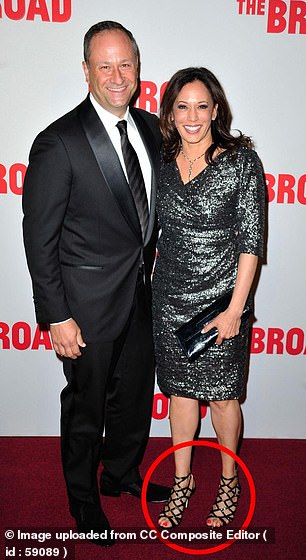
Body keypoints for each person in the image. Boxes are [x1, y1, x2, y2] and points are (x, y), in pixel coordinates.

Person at [22, 21, 169, 546]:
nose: (116, 75)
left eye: (125, 64)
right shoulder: (58, 141)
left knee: (132, 399)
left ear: (137, 68)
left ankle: (121, 474)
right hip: (83, 310)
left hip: (140, 297)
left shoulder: (153, 130)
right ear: (85, 70)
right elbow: (39, 240)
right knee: (85, 410)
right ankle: (82, 501)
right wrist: (56, 315)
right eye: (103, 65)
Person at [152, 67, 265, 528]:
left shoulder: (240, 161)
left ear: (216, 110)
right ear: (170, 113)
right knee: (179, 394)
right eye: (182, 106)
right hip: (170, 299)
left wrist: (236, 309)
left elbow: (250, 241)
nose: (192, 116)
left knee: (221, 399)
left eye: (202, 105)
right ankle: (182, 481)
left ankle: (227, 480)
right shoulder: (161, 159)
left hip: (222, 302)